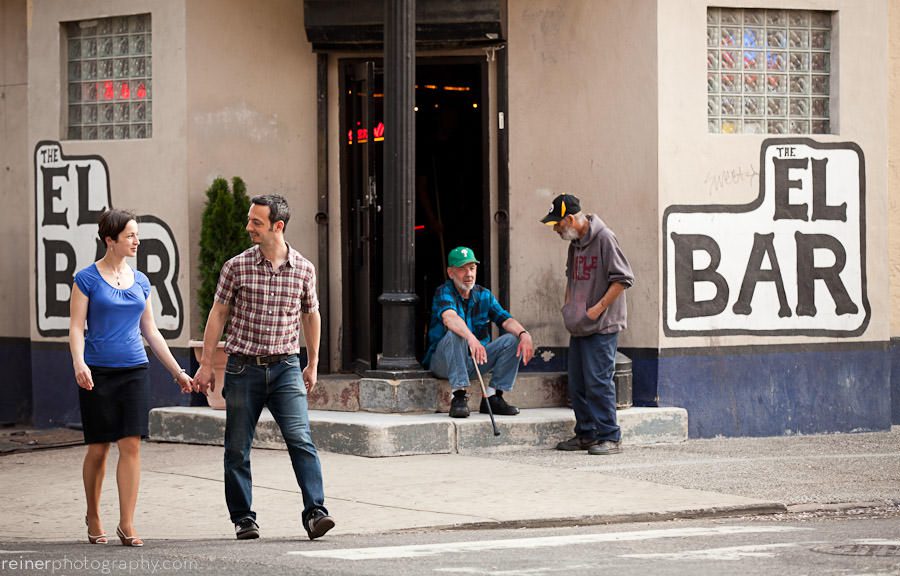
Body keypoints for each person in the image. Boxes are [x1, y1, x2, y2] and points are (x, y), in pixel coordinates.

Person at [192, 194, 334, 541]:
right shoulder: (236, 266)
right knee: (237, 447)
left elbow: (310, 314)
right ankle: (243, 517)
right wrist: (207, 364)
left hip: (286, 367)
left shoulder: (303, 269)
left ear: (278, 226)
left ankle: (316, 512)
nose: (248, 227)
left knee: (301, 440)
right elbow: (218, 314)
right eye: (250, 219)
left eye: (256, 222)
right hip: (243, 368)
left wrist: (313, 363)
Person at [69, 209, 194, 547]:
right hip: (97, 372)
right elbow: (76, 328)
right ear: (110, 240)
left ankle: (127, 523)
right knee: (98, 448)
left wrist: (178, 372)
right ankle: (93, 514)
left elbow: (150, 331)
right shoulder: (86, 279)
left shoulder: (141, 281)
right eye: (130, 236)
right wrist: (79, 363)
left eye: (137, 235)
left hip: (135, 370)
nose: (137, 241)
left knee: (131, 444)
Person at [541, 194, 634, 455]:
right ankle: (587, 434)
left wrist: (596, 309)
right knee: (578, 383)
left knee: (598, 381)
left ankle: (610, 436)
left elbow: (623, 278)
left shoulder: (604, 238)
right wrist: (569, 307)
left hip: (602, 325)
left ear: (569, 219)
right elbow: (571, 277)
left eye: (557, 224)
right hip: (579, 324)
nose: (556, 230)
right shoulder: (575, 244)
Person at [423, 246, 535, 418]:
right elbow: (450, 318)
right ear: (451, 272)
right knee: (456, 333)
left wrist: (524, 334)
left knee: (513, 340)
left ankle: (492, 396)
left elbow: (506, 319)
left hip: (475, 361)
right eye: (462, 269)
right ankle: (458, 396)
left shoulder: (484, 295)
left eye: (472, 268)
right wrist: (471, 338)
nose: (468, 274)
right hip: (444, 363)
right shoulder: (443, 291)